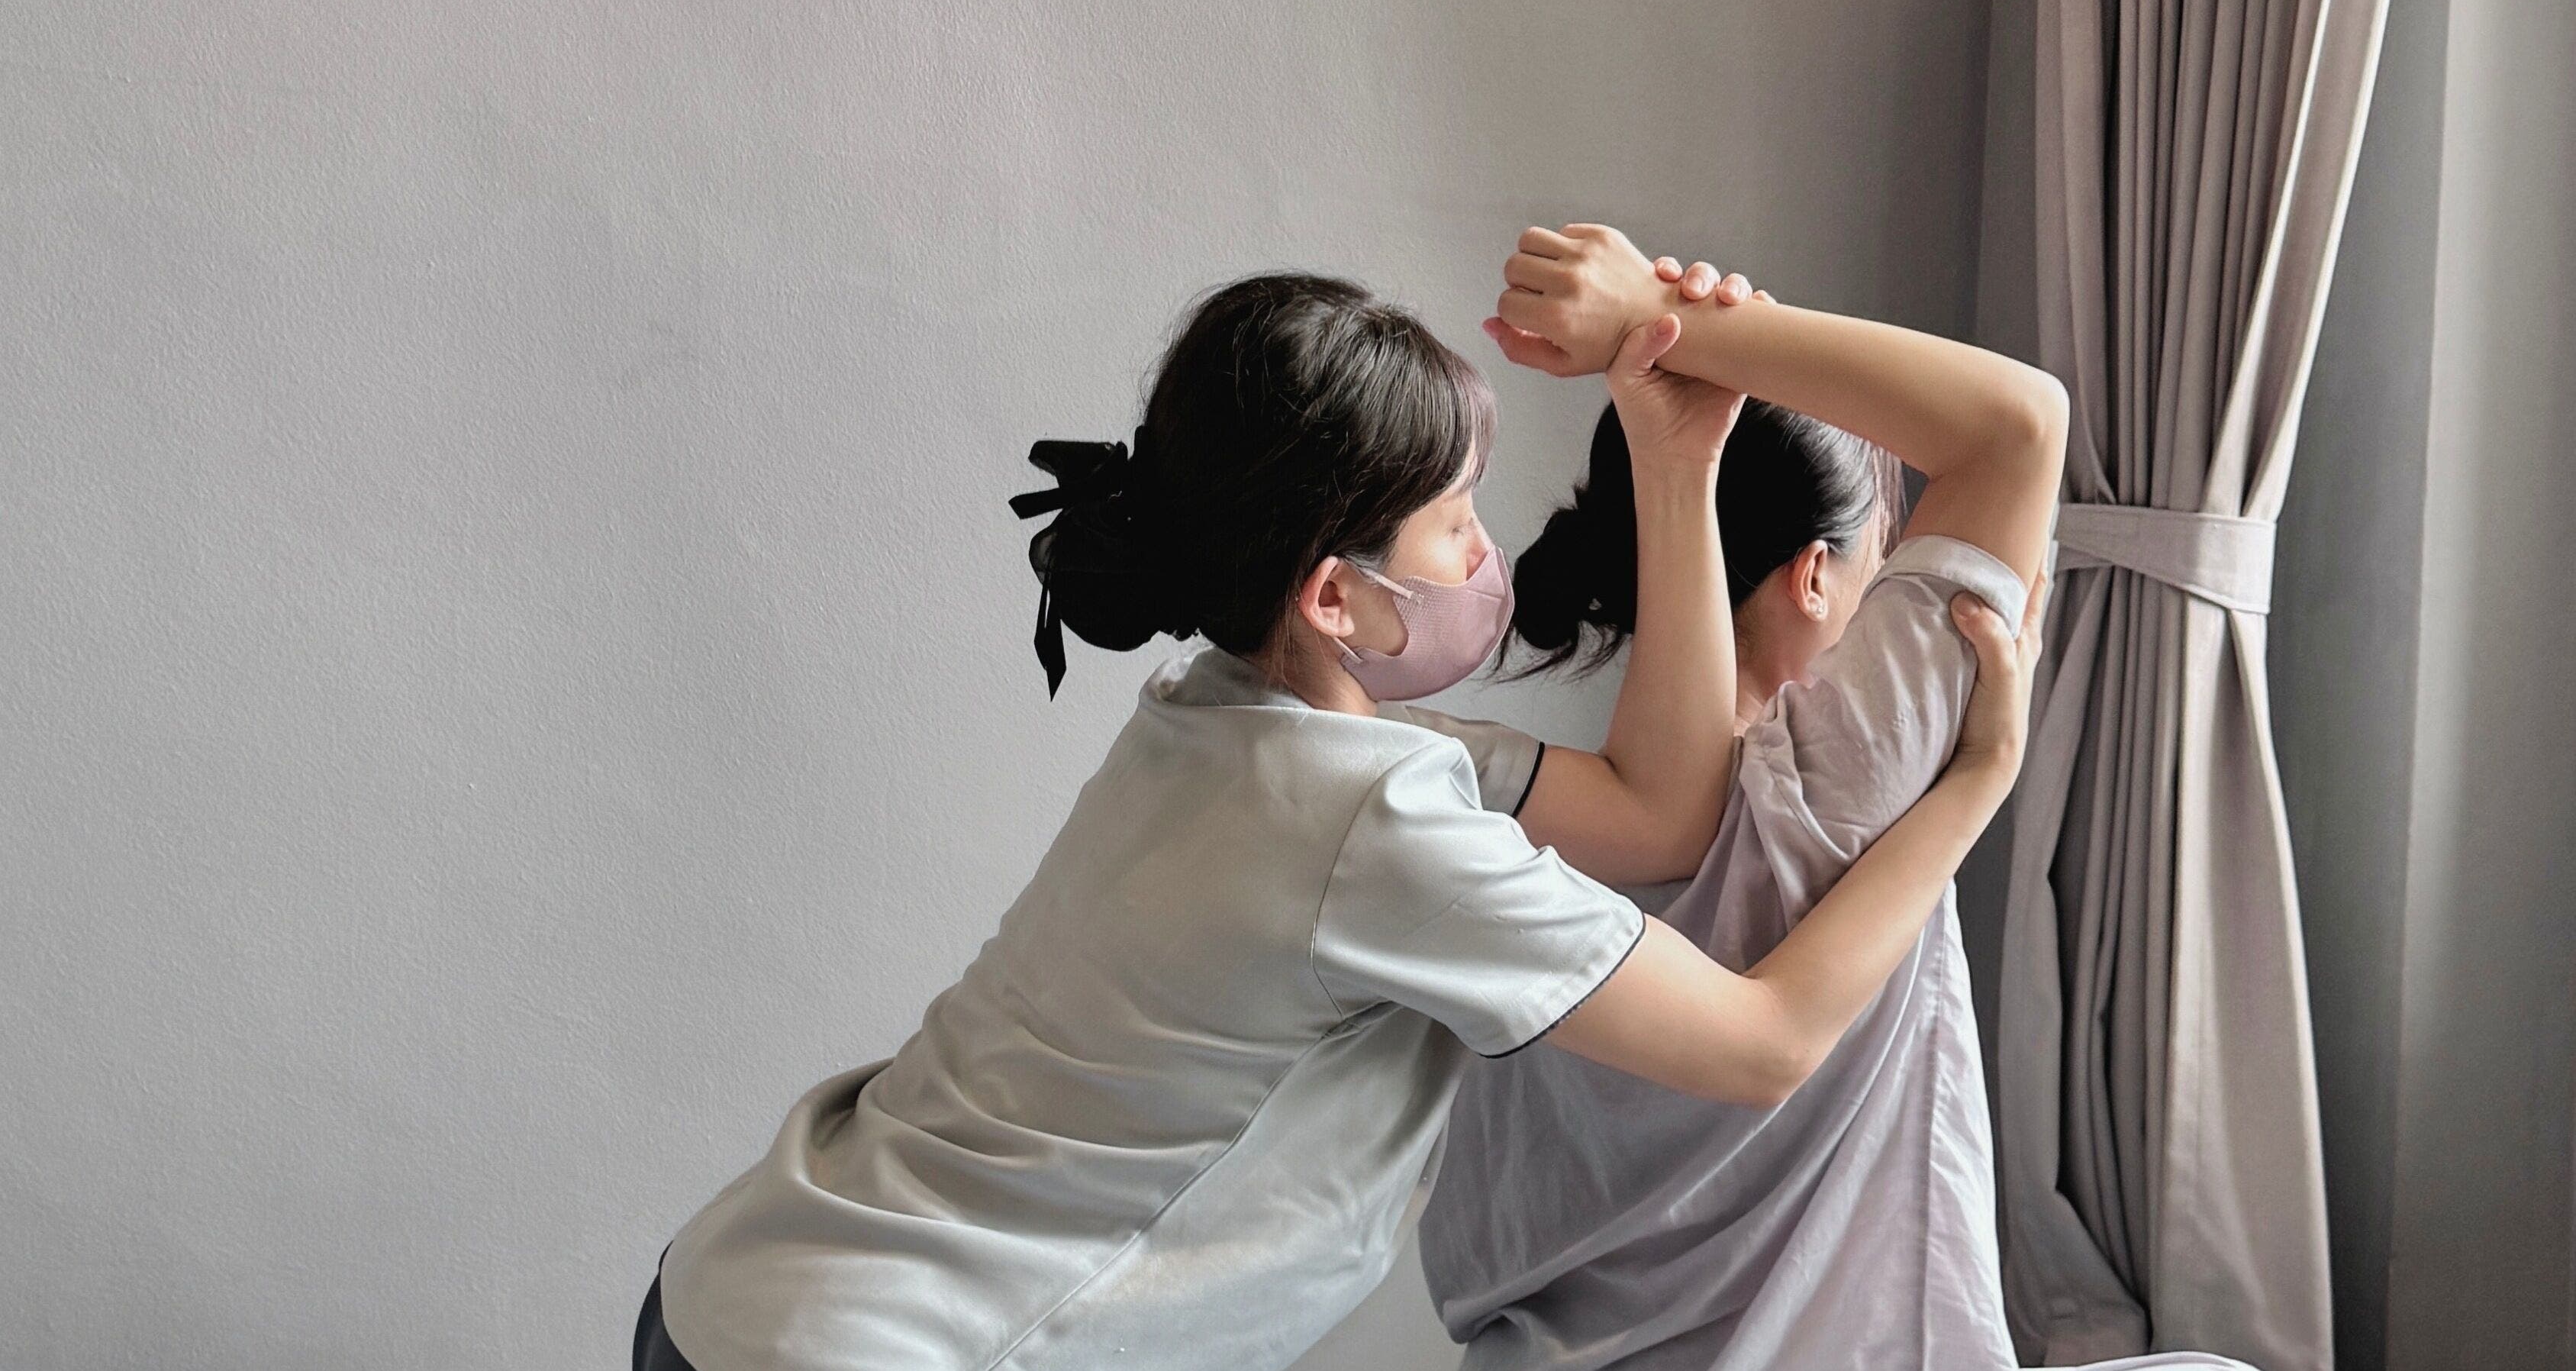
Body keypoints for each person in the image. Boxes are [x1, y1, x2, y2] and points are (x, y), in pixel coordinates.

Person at [633, 262, 2037, 1371]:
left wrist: (1672, 447)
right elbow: (1765, 1041)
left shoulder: (1231, 730)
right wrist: (1971, 788)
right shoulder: (1375, 821)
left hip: (747, 1280)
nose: (1492, 550)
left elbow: (1663, 814)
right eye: (1454, 522)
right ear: (1334, 594)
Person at [1417, 231, 2241, 1371]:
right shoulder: (1834, 782)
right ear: (1814, 576)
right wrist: (1669, 321)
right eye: (1880, 561)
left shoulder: (1519, 826)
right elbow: (2017, 426)